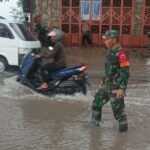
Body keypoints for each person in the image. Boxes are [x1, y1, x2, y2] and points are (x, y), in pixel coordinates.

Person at [90, 30, 130, 132]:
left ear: (113, 40)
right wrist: (103, 80)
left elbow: (125, 72)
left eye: (106, 39)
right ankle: (94, 127)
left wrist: (122, 89)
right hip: (106, 85)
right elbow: (108, 69)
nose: (105, 41)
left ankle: (123, 136)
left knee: (119, 112)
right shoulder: (109, 51)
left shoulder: (121, 53)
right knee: (96, 103)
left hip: (116, 88)